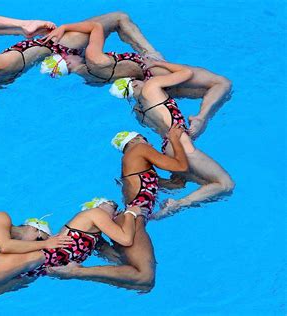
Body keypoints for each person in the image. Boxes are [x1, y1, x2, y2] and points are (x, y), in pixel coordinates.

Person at [41, 14, 232, 138]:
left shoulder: (88, 78)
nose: (70, 52)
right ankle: (201, 117)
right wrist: (65, 26)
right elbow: (98, 26)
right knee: (221, 83)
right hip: (154, 71)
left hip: (149, 90)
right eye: (65, 55)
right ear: (66, 63)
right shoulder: (93, 58)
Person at [0, 197, 142, 306]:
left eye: (117, 208)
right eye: (112, 205)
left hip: (38, 270)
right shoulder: (94, 213)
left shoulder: (95, 239)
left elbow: (120, 258)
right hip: (33, 257)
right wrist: (132, 213)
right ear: (99, 205)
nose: (116, 208)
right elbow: (125, 237)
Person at [48, 126, 189, 290]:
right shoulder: (138, 149)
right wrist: (174, 139)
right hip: (133, 219)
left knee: (143, 285)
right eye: (145, 139)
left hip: (132, 221)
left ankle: (90, 259)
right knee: (144, 276)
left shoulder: (142, 171)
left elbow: (178, 183)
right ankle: (77, 272)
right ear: (135, 139)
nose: (150, 144)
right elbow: (181, 166)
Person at [109, 60, 234, 219]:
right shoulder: (151, 86)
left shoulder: (139, 112)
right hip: (180, 143)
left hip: (168, 148)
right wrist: (160, 63)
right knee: (225, 184)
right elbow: (187, 73)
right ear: (133, 84)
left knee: (205, 183)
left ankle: (176, 203)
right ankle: (178, 205)